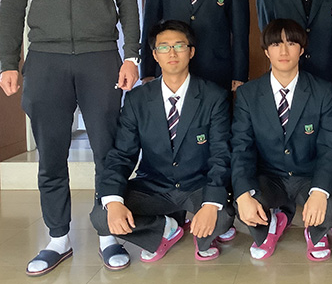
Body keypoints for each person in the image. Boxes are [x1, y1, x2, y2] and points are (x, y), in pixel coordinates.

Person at [0, 0, 140, 277]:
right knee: (51, 154)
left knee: (108, 152)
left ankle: (108, 233)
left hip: (100, 57)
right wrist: (7, 60)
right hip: (46, 58)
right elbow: (11, 0)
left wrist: (131, 54)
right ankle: (58, 237)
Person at [90, 20, 234, 268]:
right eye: (164, 47)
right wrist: (114, 201)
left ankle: (201, 229)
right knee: (102, 216)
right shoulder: (137, 99)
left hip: (197, 185)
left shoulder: (214, 96)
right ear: (155, 55)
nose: (172, 53)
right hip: (153, 185)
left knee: (223, 216)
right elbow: (122, 155)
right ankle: (165, 228)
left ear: (191, 51)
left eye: (179, 46)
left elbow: (221, 154)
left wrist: (211, 204)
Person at [231, 19, 332, 261]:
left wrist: (319, 191)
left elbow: (331, 147)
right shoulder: (248, 94)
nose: (283, 51)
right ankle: (272, 223)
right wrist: (243, 195)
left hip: (308, 174)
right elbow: (241, 148)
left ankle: (315, 232)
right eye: (276, 44)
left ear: (301, 50)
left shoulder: (323, 90)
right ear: (266, 51)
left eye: (291, 43)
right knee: (244, 204)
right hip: (269, 176)